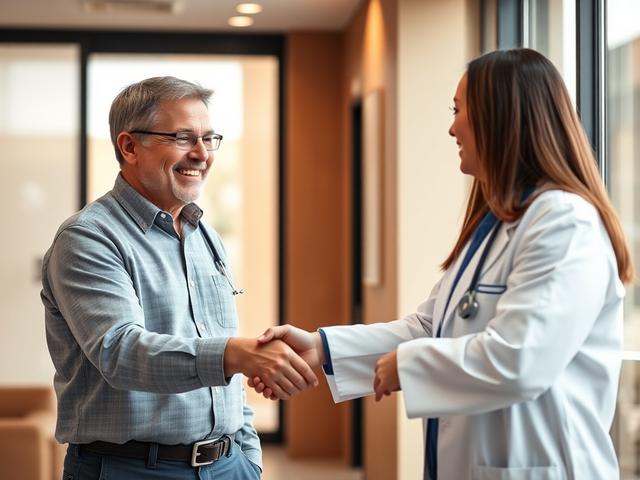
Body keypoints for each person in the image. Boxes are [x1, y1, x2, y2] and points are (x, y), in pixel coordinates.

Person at [249, 49, 634, 479]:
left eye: (458, 111)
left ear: (500, 117)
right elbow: (430, 328)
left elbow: (520, 360)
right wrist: (320, 348)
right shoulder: (496, 223)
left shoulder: (565, 222)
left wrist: (407, 364)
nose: (452, 128)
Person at [40, 76, 317, 479]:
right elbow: (120, 352)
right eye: (183, 137)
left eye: (209, 138)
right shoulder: (87, 238)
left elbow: (221, 358)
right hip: (130, 469)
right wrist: (234, 354)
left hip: (229, 465)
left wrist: (248, 458)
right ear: (129, 146)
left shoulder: (206, 237)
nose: (202, 154)